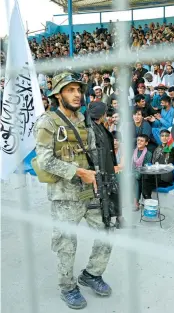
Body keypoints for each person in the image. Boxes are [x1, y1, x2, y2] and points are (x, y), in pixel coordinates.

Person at [33, 72, 112, 309]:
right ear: (58, 95)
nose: (77, 94)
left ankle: (92, 274)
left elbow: (91, 152)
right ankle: (67, 287)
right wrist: (78, 172)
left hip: (89, 190)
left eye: (79, 90)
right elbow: (44, 160)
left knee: (106, 232)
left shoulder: (83, 118)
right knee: (66, 244)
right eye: (71, 90)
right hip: (64, 195)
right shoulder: (47, 122)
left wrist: (101, 171)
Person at [142, 129, 174, 199]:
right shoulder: (156, 149)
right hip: (156, 175)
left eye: (166, 136)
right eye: (162, 136)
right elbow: (153, 164)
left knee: (145, 183)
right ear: (160, 137)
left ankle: (149, 204)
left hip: (166, 177)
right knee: (144, 180)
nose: (164, 138)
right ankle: (149, 201)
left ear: (169, 137)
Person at [132, 134, 152, 211]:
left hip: (142, 173)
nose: (139, 142)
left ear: (146, 143)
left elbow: (145, 167)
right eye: (138, 140)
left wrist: (135, 173)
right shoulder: (133, 151)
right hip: (133, 172)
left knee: (136, 179)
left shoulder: (148, 153)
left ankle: (136, 203)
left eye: (142, 141)